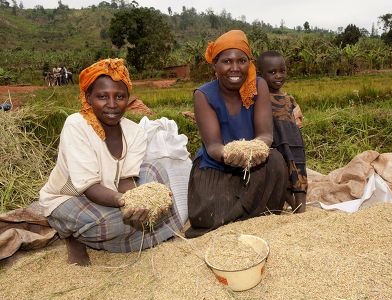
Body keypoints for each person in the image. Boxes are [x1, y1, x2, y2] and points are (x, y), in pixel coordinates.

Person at [38, 58, 184, 266]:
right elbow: (89, 187)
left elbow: (126, 180)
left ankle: (140, 230)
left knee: (156, 170)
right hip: (70, 198)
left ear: (128, 98)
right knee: (111, 224)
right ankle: (71, 236)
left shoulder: (134, 132)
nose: (112, 105)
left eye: (120, 96)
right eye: (102, 97)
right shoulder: (76, 125)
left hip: (112, 192)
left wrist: (139, 199)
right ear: (88, 97)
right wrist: (127, 203)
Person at [185, 30, 287, 238]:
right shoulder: (203, 95)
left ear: (249, 64)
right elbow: (213, 146)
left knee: (275, 160)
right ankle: (246, 213)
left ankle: (251, 216)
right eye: (226, 61)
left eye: (241, 61)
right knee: (206, 214)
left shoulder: (259, 86)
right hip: (217, 166)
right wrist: (230, 155)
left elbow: (265, 134)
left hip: (254, 162)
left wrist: (254, 150)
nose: (234, 68)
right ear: (215, 66)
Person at [257, 51, 308, 213]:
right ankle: (293, 205)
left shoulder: (289, 98)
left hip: (295, 144)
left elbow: (297, 121)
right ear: (261, 74)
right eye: (272, 72)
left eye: (282, 71)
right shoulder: (259, 98)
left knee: (299, 176)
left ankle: (301, 211)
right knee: (282, 176)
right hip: (275, 144)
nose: (278, 76)